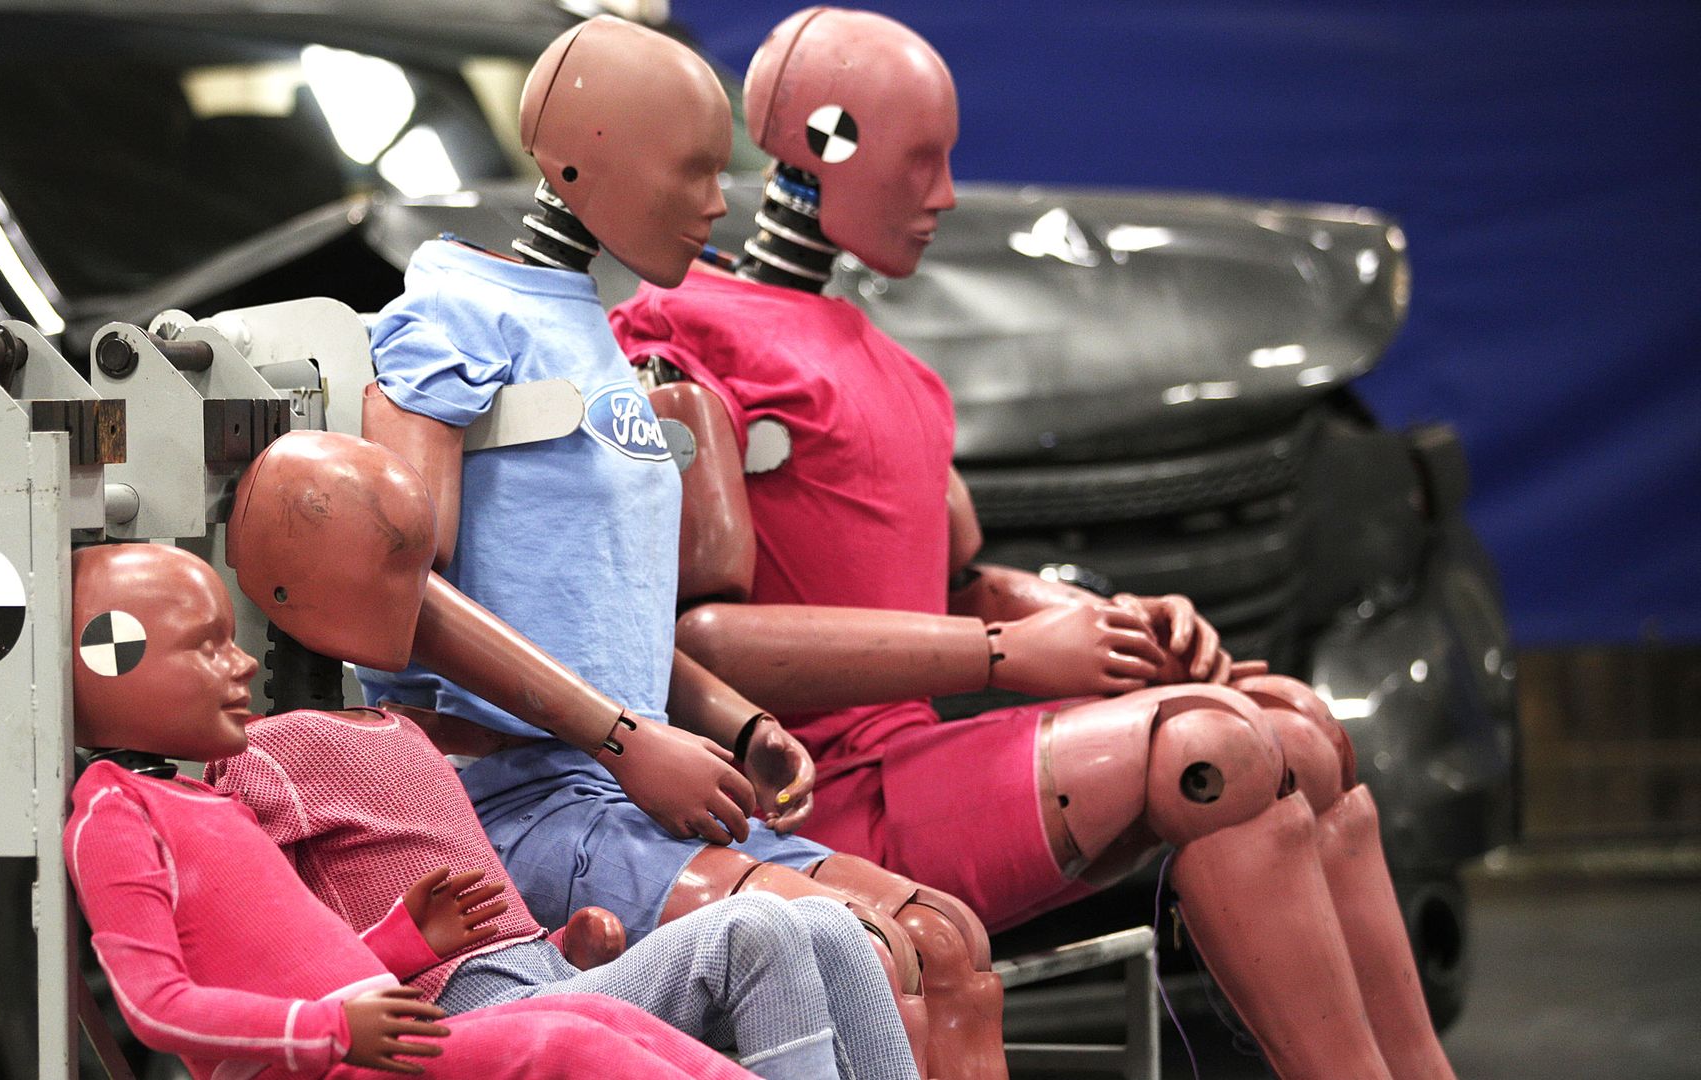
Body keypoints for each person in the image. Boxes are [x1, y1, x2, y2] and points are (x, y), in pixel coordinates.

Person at [609, 8, 1460, 1080]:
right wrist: (1010, 658)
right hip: (805, 797)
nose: (945, 195)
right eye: (920, 160)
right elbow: (698, 643)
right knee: (1215, 754)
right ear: (825, 143)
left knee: (1299, 727)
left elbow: (960, 579)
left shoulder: (891, 369)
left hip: (908, 766)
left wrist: (1101, 624)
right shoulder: (682, 338)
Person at [226, 16, 1006, 1076]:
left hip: (615, 782)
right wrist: (624, 739)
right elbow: (390, 589)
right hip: (515, 802)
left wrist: (738, 721)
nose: (718, 200)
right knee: (862, 947)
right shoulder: (457, 314)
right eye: (689, 170)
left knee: (947, 945)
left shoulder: (591, 329)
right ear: (584, 154)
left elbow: (597, 601)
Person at [64, 542, 756, 1080]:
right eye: (207, 646)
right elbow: (156, 1006)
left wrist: (405, 944)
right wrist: (331, 1030)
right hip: (328, 1062)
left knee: (591, 1013)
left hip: (362, 1047)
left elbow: (280, 961)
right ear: (109, 662)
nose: (242, 665)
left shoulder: (202, 802)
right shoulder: (115, 814)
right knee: (561, 1039)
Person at [210, 705, 918, 1080]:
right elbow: (270, 960)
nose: (234, 662)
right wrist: (397, 945)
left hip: (544, 974)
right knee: (753, 929)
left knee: (826, 922)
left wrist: (556, 943)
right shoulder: (263, 756)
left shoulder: (405, 732)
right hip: (464, 1007)